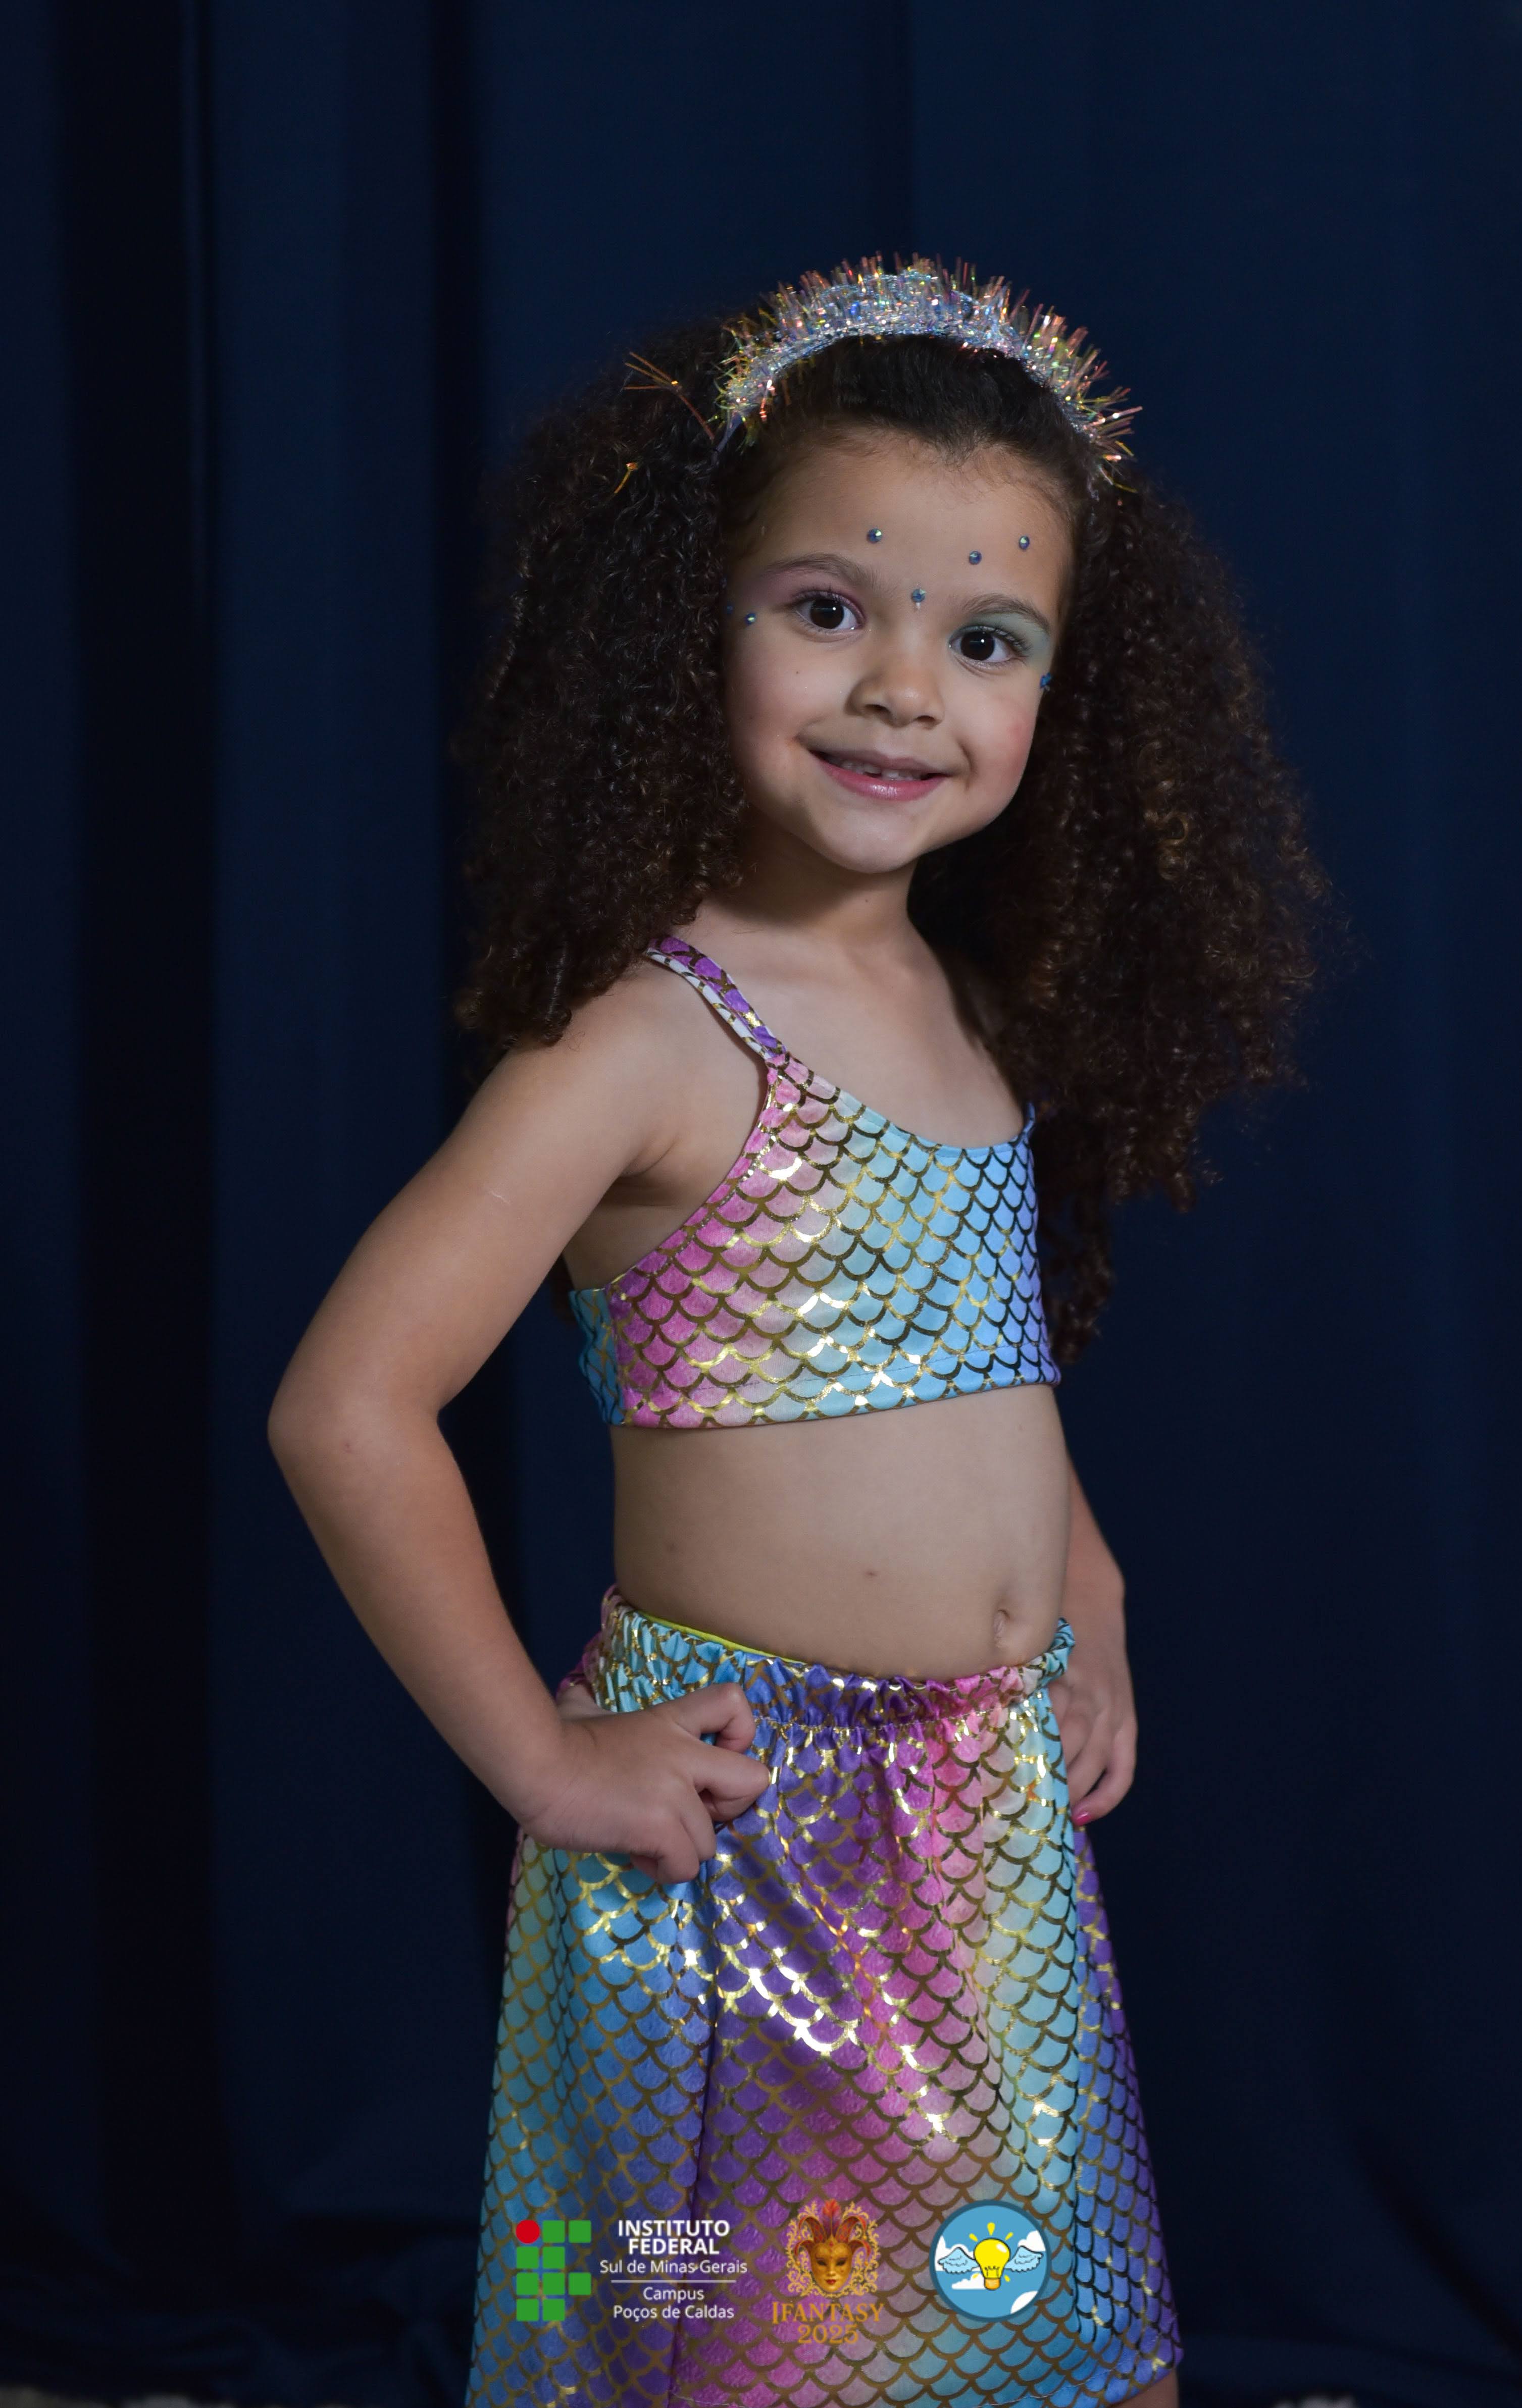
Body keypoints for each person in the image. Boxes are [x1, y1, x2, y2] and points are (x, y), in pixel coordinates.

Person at [269, 260, 1324, 2408]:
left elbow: (978, 1360)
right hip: (757, 1843)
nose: (904, 688)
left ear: (1068, 693)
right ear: (697, 623)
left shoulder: (965, 1009)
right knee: (748, 2355)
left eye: (987, 637)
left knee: (1068, 2347)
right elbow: (346, 1406)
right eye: (829, 608)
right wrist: (543, 1757)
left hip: (989, 1818)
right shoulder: (648, 1043)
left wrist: (1088, 1579)